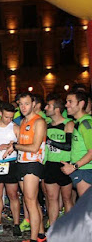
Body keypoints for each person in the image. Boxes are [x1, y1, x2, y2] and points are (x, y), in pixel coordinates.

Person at [4, 92, 47, 242]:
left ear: (33, 104)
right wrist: (11, 146)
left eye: (26, 103)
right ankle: (41, 235)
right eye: (20, 104)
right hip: (21, 163)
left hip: (33, 164)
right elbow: (22, 143)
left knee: (30, 202)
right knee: (32, 201)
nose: (23, 107)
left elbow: (34, 147)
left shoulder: (39, 122)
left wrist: (15, 146)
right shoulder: (22, 121)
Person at [0, 102, 22, 236]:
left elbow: (23, 143)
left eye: (11, 117)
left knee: (13, 195)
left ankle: (16, 223)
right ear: (0, 113)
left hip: (11, 164)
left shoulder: (15, 128)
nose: (9, 120)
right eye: (6, 117)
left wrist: (10, 145)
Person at [44, 94, 74, 226]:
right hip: (50, 164)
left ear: (56, 109)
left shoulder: (68, 124)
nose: (46, 108)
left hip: (64, 164)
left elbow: (68, 146)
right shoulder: (47, 125)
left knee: (67, 198)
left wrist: (50, 141)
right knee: (51, 198)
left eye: (49, 106)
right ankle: (53, 227)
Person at [61, 91, 92, 197]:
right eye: (66, 102)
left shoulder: (86, 123)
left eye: (70, 102)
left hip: (85, 171)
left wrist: (74, 166)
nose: (66, 105)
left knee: (87, 209)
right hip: (82, 170)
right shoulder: (79, 122)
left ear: (81, 104)